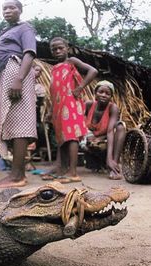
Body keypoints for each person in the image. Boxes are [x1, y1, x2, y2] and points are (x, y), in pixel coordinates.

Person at [0, 0, 37, 188]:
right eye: (4, 8)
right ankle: (15, 173)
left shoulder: (25, 28)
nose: (8, 11)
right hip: (6, 73)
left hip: (15, 71)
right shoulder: (6, 30)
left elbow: (29, 53)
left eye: (12, 7)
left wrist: (19, 78)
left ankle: (18, 176)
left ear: (20, 10)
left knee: (20, 122)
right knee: (12, 122)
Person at [46, 37, 98, 182]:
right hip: (58, 108)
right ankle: (62, 169)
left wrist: (80, 88)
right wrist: (50, 110)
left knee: (71, 136)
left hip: (71, 104)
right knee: (62, 139)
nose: (57, 51)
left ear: (67, 48)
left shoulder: (72, 62)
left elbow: (93, 71)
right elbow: (54, 92)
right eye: (54, 49)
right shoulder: (54, 69)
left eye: (60, 48)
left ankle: (73, 173)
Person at [85, 80, 126, 180]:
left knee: (120, 127)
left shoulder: (113, 108)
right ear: (95, 94)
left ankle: (114, 166)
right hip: (87, 138)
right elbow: (78, 123)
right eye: (101, 92)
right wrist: (89, 137)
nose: (104, 95)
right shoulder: (88, 105)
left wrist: (109, 159)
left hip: (105, 139)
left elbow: (110, 131)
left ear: (111, 97)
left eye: (107, 93)